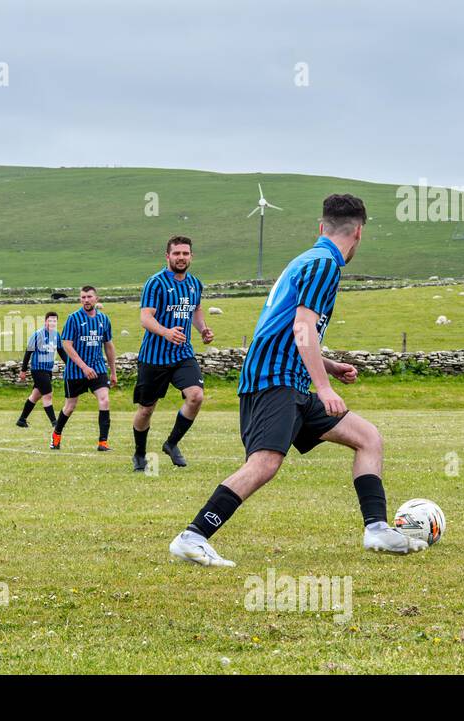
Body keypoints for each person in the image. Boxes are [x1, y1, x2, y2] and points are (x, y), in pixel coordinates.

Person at [168, 194, 427, 568]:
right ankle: (193, 536)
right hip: (275, 379)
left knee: (368, 438)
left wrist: (329, 366)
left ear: (322, 227)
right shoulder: (325, 265)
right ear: (358, 232)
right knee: (265, 463)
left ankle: (376, 529)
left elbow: (289, 333)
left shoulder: (309, 260)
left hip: (289, 378)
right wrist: (324, 388)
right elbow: (303, 327)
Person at [131, 235, 213, 471]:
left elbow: (195, 310)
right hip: (154, 357)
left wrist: (203, 329)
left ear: (191, 256)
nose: (181, 257)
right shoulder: (155, 283)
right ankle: (139, 454)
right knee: (146, 409)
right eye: (176, 253)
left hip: (182, 355)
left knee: (196, 396)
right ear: (167, 256)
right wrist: (166, 332)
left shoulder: (195, 284)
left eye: (185, 253)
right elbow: (145, 318)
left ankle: (172, 443)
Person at [51, 286, 117, 452]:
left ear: (96, 298)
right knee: (70, 406)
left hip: (98, 368)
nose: (86, 300)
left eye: (89, 297)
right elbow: (66, 344)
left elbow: (108, 346)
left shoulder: (104, 319)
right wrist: (83, 367)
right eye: (83, 297)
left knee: (105, 400)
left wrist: (113, 371)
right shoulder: (73, 318)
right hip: (75, 370)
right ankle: (56, 435)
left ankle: (103, 443)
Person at [16, 311, 63, 428]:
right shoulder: (37, 335)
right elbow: (28, 352)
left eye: (54, 321)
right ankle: (55, 423)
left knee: (35, 395)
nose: (52, 323)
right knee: (48, 395)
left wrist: (71, 364)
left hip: (48, 370)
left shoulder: (56, 335)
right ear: (45, 321)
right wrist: (23, 370)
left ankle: (22, 420)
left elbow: (61, 351)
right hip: (38, 370)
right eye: (50, 320)